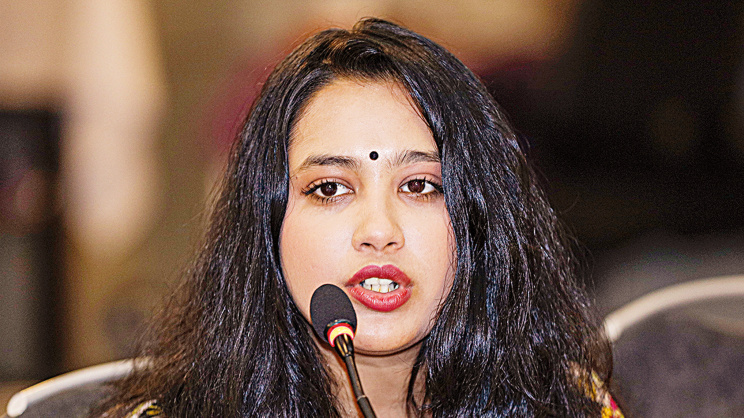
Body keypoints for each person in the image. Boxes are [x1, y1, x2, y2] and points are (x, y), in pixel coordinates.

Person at [100, 18, 621, 417]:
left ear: (480, 219)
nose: (379, 231)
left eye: (419, 186)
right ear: (265, 223)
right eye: (330, 189)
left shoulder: (567, 401)